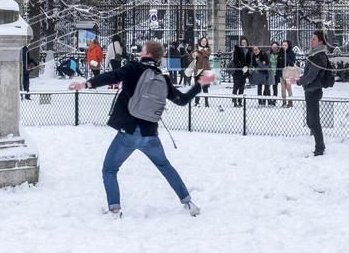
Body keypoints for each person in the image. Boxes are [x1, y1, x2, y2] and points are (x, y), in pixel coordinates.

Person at [69, 40, 215, 218]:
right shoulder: (163, 78)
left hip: (129, 132)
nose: (140, 51)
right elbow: (182, 100)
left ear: (148, 54)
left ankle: (114, 210)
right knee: (165, 166)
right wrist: (200, 84)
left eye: (143, 49)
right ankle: (188, 203)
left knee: (109, 169)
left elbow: (112, 76)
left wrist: (86, 84)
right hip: (150, 134)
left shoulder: (134, 68)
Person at [296, 30, 330, 156]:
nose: (311, 41)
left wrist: (299, 81)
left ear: (320, 42)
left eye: (314, 39)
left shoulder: (319, 56)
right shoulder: (315, 54)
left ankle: (320, 147)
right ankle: (320, 144)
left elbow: (311, 76)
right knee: (310, 121)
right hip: (310, 90)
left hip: (314, 90)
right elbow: (309, 73)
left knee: (314, 121)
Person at [231, 37, 252, 107]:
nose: (244, 44)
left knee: (242, 86)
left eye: (245, 42)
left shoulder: (248, 51)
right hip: (237, 70)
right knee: (236, 86)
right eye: (242, 42)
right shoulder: (237, 50)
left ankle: (240, 101)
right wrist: (242, 67)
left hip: (244, 71)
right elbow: (236, 60)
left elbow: (249, 60)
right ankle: (234, 101)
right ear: (240, 43)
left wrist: (246, 67)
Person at [192, 37, 213, 107]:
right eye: (202, 41)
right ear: (200, 42)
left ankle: (206, 102)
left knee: (205, 87)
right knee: (197, 87)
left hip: (205, 71)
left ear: (206, 42)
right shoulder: (196, 49)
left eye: (205, 41)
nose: (204, 42)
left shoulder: (208, 49)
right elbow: (193, 57)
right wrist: (194, 55)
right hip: (198, 70)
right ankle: (196, 102)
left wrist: (202, 50)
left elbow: (207, 55)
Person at [280, 39, 297, 107]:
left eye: (285, 45)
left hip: (290, 72)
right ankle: (284, 102)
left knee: (289, 87)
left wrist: (286, 56)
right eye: (283, 45)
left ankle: (290, 102)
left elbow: (292, 63)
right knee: (283, 88)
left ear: (288, 46)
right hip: (282, 73)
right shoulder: (280, 53)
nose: (284, 46)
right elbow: (279, 63)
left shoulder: (291, 53)